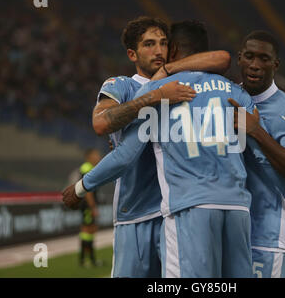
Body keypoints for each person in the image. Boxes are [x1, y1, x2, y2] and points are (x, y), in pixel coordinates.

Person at [63, 20, 257, 278]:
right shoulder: (122, 85)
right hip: (136, 214)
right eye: (149, 44)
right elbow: (101, 123)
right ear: (132, 54)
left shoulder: (182, 86)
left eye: (163, 43)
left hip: (175, 211)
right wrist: (155, 95)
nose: (158, 50)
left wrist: (167, 72)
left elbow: (222, 58)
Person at [229, 31, 285, 278]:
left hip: (269, 235)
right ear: (239, 58)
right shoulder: (226, 99)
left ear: (275, 64)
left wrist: (257, 131)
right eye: (249, 56)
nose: (255, 65)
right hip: (229, 228)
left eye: (264, 59)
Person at [67, 148, 102, 267]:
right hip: (87, 205)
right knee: (87, 230)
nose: (98, 157)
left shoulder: (88, 168)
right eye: (95, 155)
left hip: (86, 205)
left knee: (89, 231)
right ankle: (87, 260)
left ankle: (88, 259)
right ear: (89, 157)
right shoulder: (87, 168)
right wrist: (92, 207)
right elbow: (88, 191)